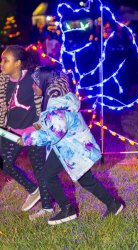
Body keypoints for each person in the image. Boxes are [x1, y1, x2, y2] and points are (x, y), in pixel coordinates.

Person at [18, 67, 124, 225]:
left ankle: (68, 210)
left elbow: (54, 133)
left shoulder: (56, 106)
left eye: (35, 83)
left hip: (74, 148)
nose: (33, 86)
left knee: (54, 176)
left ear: (45, 84)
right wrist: (35, 128)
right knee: (81, 178)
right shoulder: (56, 100)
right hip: (68, 146)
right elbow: (49, 124)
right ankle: (113, 205)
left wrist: (28, 139)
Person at [0, 45, 53, 219]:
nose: (2, 64)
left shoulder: (33, 78)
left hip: (33, 131)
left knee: (40, 169)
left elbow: (47, 102)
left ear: (18, 63)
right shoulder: (3, 80)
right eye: (2, 60)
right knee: (5, 162)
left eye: (6, 61)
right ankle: (33, 189)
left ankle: (47, 208)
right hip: (12, 131)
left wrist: (39, 128)